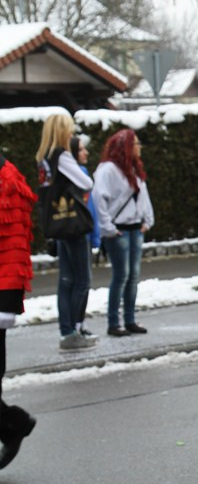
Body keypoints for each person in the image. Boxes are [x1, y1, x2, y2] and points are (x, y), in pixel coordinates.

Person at [36, 113, 98, 351]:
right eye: (69, 131)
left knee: (65, 280)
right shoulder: (62, 156)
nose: (72, 135)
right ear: (62, 132)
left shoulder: (43, 158)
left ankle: (67, 331)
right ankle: (72, 331)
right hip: (72, 223)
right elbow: (86, 183)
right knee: (82, 279)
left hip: (57, 223)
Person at [92, 128, 154, 337]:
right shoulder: (108, 169)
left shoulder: (134, 169)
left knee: (133, 276)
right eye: (135, 143)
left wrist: (147, 220)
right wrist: (108, 227)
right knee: (121, 276)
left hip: (135, 228)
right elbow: (99, 198)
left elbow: (143, 196)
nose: (139, 147)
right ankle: (113, 322)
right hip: (119, 230)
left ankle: (129, 319)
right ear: (125, 146)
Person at [0, 153, 37, 469]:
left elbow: (15, 242)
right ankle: (12, 424)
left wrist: (6, 303)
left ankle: (13, 424)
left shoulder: (8, 181)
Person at [71, 134, 101, 337]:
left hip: (86, 234)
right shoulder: (78, 175)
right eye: (81, 149)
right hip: (81, 234)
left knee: (82, 283)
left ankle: (78, 323)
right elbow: (90, 210)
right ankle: (74, 325)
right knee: (81, 282)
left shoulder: (82, 172)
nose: (86, 152)